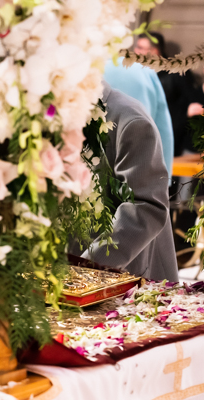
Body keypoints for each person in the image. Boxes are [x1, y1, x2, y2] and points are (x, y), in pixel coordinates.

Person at [70, 83, 179, 282]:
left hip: (123, 274)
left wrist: (85, 271)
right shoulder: (52, 115)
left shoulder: (130, 120)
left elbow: (146, 207)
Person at [104, 59, 174, 176]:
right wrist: (164, 176)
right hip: (142, 163)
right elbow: (163, 128)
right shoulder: (143, 69)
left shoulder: (79, 69)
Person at [133, 32, 194, 158]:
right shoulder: (135, 71)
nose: (136, 51)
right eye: (136, 47)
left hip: (169, 139)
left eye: (140, 48)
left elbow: (189, 105)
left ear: (154, 51)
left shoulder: (177, 72)